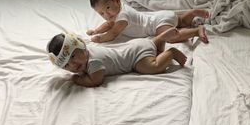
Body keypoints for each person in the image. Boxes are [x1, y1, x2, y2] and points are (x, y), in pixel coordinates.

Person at [47, 28, 187, 87]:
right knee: (151, 48)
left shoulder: (93, 63)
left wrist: (77, 79)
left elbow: (96, 81)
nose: (73, 65)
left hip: (135, 58)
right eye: (66, 65)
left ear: (82, 46)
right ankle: (160, 39)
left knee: (152, 67)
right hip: (136, 45)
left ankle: (172, 53)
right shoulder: (88, 52)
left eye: (73, 56)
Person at [86, 0, 209, 44]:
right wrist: (96, 31)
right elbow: (108, 24)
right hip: (162, 16)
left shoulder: (123, 17)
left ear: (117, 0)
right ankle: (192, 13)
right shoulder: (117, 12)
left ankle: (196, 30)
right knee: (181, 21)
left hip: (155, 25)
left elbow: (112, 33)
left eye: (108, 8)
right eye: (101, 13)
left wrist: (100, 39)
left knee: (171, 36)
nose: (106, 15)